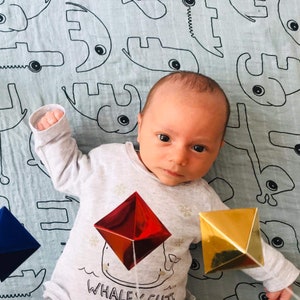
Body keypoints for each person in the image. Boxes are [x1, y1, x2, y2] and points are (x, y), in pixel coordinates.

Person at [29, 71, 299, 300]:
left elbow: (239, 244)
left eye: (198, 147)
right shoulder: (108, 163)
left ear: (218, 150)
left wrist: (276, 277)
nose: (179, 158)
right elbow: (66, 173)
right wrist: (54, 135)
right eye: (164, 137)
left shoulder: (200, 199)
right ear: (140, 126)